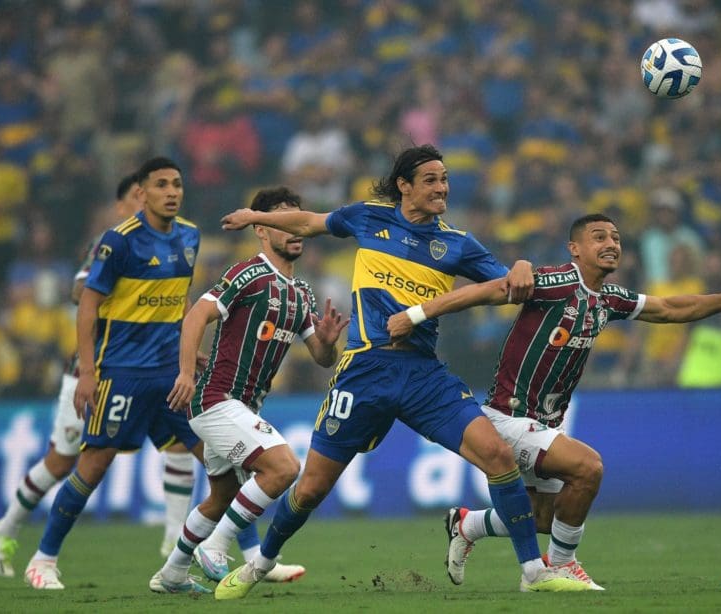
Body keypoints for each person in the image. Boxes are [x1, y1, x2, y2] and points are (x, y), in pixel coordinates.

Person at [214, 144, 592, 599]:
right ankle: (262, 562)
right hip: (364, 371)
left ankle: (534, 570)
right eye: (431, 179)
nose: (442, 188)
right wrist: (256, 217)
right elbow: (310, 223)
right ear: (404, 186)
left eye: (445, 179)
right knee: (310, 489)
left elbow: (507, 284)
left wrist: (524, 263)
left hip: (422, 375)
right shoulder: (368, 217)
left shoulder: (456, 244)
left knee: (498, 457)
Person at [386, 213, 721, 590]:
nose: (611, 245)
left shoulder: (608, 298)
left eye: (616, 238)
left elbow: (671, 309)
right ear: (575, 248)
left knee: (545, 516)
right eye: (600, 237)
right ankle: (562, 567)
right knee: (588, 468)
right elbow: (483, 292)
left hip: (544, 422)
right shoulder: (556, 283)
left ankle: (467, 524)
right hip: (509, 416)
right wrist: (416, 314)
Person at [0, 174, 200, 577]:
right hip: (94, 370)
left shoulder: (169, 242)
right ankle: (6, 525)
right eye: (138, 198)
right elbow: (78, 292)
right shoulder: (112, 243)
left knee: (179, 446)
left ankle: (174, 537)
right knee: (64, 461)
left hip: (147, 369)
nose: (147, 204)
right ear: (122, 205)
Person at [150, 186, 348, 594]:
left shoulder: (302, 293)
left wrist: (327, 342)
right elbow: (195, 318)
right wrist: (186, 374)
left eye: (299, 221)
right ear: (262, 229)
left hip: (243, 407)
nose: (295, 229)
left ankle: (172, 573)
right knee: (283, 468)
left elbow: (322, 358)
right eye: (283, 221)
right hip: (216, 400)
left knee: (222, 494)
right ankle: (217, 548)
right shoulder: (249, 273)